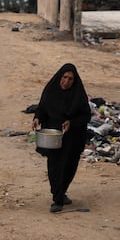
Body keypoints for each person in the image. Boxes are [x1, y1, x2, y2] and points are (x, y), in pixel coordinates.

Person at [32, 63, 90, 213]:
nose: (67, 81)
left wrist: (72, 122)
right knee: (55, 166)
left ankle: (61, 192)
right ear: (59, 77)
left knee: (69, 167)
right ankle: (57, 199)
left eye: (71, 79)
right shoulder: (51, 91)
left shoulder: (78, 95)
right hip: (53, 135)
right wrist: (37, 118)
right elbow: (42, 108)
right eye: (64, 77)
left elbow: (86, 115)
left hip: (72, 137)